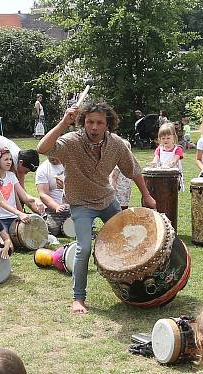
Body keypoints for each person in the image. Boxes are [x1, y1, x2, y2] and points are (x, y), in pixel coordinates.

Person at [37, 101, 156, 315]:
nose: (94, 127)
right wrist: (65, 122)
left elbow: (133, 170)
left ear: (107, 124)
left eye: (99, 122)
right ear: (83, 122)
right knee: (83, 248)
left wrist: (146, 196)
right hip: (81, 203)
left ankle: (134, 284)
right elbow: (42, 148)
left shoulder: (116, 145)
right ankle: (78, 298)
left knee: (128, 238)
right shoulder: (71, 142)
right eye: (90, 122)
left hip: (106, 199)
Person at [0, 147, 45, 231]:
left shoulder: (11, 175)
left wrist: (36, 200)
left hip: (14, 218)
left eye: (10, 159)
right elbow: (1, 202)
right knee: (7, 243)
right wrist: (20, 213)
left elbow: (24, 196)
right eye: (6, 159)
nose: (9, 162)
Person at [35, 156, 70, 236]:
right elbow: (43, 194)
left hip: (73, 206)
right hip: (54, 209)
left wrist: (66, 186)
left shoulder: (72, 163)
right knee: (53, 229)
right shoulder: (43, 169)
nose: (52, 156)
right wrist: (56, 206)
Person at [149, 122, 185, 191]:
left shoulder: (178, 149)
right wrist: (153, 163)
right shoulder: (159, 149)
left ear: (173, 137)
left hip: (173, 177)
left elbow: (174, 161)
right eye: (163, 138)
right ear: (159, 138)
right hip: (162, 176)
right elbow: (156, 159)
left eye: (168, 138)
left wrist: (168, 166)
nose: (165, 140)